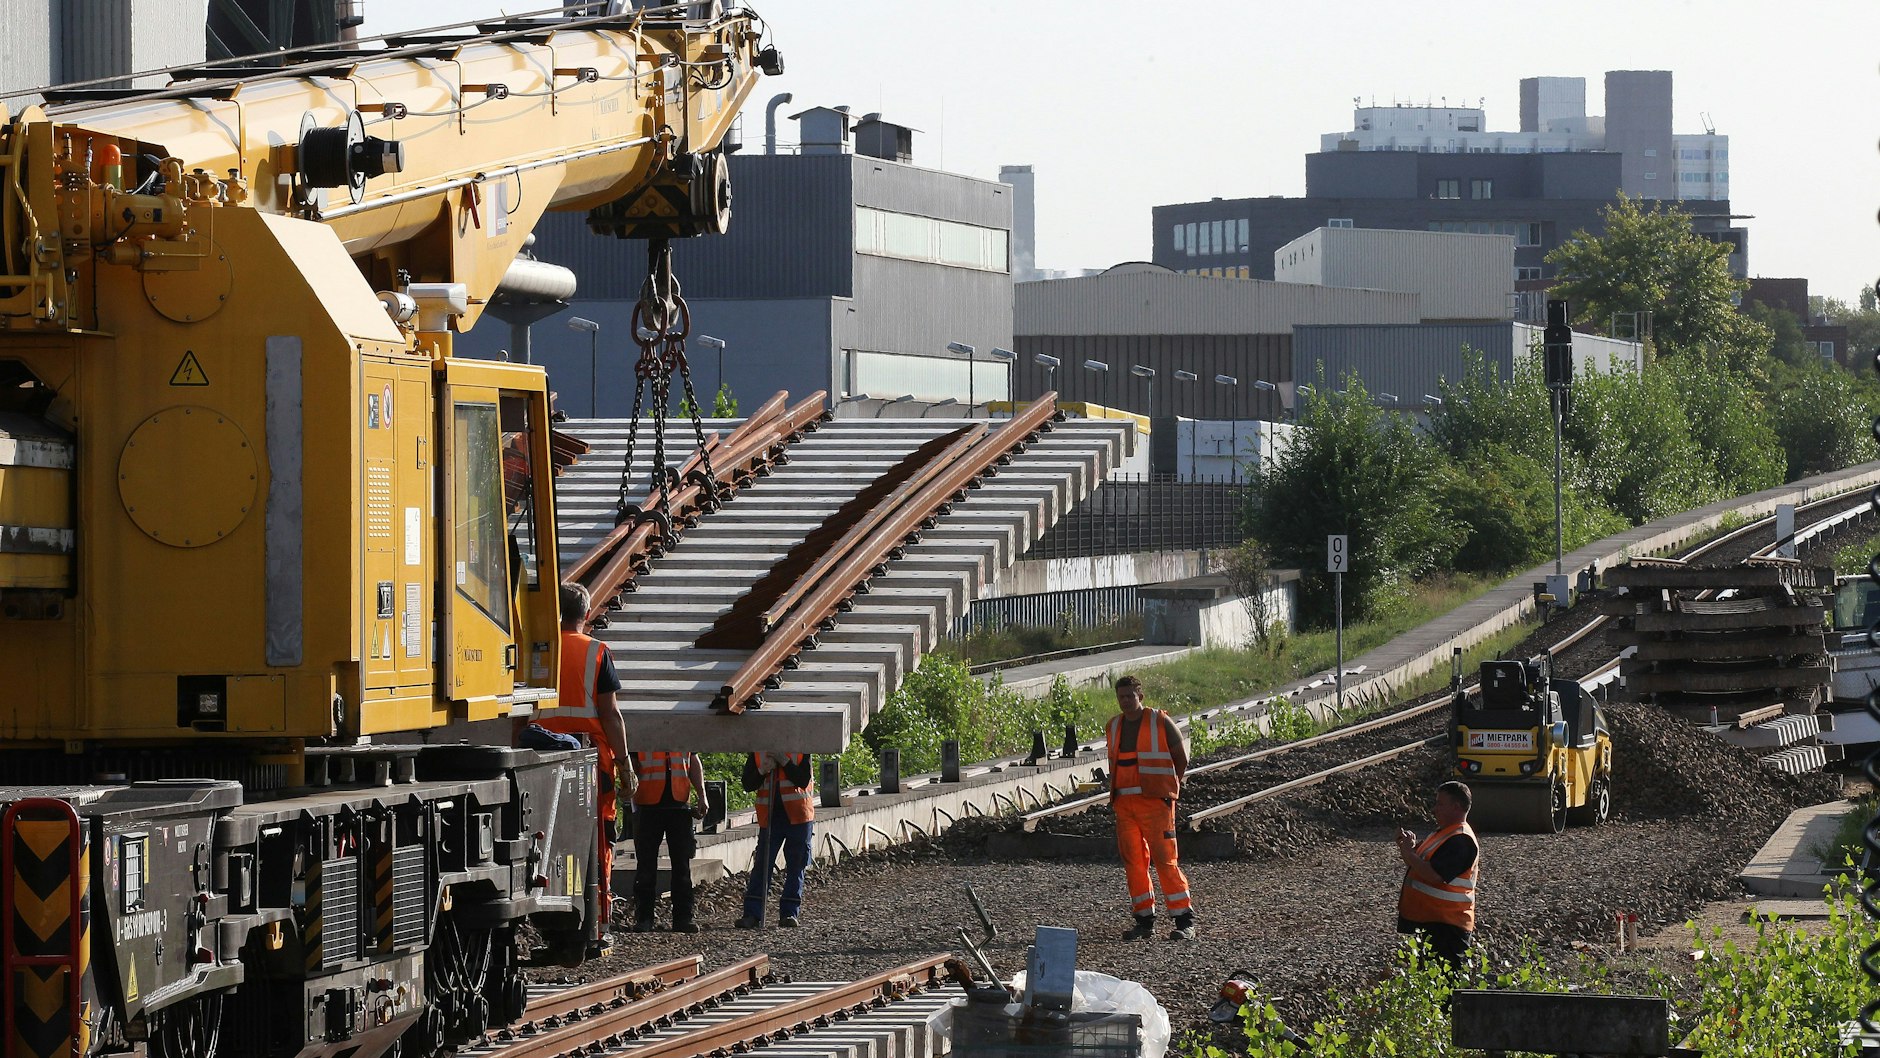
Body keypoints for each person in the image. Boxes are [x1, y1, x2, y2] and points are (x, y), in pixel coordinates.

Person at [533, 583, 635, 939]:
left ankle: (548, 913)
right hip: (590, 761)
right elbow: (610, 714)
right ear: (587, 614)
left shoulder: (538, 650)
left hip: (540, 760)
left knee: (544, 841)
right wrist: (625, 765)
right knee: (597, 839)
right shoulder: (596, 652)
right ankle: (597, 922)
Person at [1105, 674, 1196, 941]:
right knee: (1134, 862)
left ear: (1140, 696)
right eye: (1121, 697)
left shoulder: (1160, 721)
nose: (1125, 701)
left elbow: (1181, 758)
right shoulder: (1113, 726)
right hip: (1125, 805)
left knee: (1166, 861)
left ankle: (1184, 920)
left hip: (1155, 803)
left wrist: (1170, 789)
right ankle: (1144, 921)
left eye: (1129, 696)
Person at [1396, 780, 1479, 973]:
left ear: (1456, 807)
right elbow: (1418, 865)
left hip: (1449, 926)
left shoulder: (1461, 840)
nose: (1435, 809)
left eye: (1440, 804)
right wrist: (1408, 848)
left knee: (1445, 988)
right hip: (1434, 922)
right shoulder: (1444, 834)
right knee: (1432, 985)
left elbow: (1434, 875)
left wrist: (1409, 853)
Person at [630, 749, 708, 933]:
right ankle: (644, 918)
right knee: (646, 866)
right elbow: (630, 762)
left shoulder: (684, 725)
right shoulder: (644, 727)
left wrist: (702, 794)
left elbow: (693, 759)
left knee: (682, 865)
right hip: (648, 804)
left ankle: (683, 918)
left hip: (679, 804)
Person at [735, 751, 814, 929]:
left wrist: (785, 762)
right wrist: (762, 771)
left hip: (798, 815)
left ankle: (789, 913)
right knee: (763, 864)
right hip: (770, 816)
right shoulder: (759, 751)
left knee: (796, 864)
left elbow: (803, 780)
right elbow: (748, 784)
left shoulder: (801, 748)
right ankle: (753, 914)